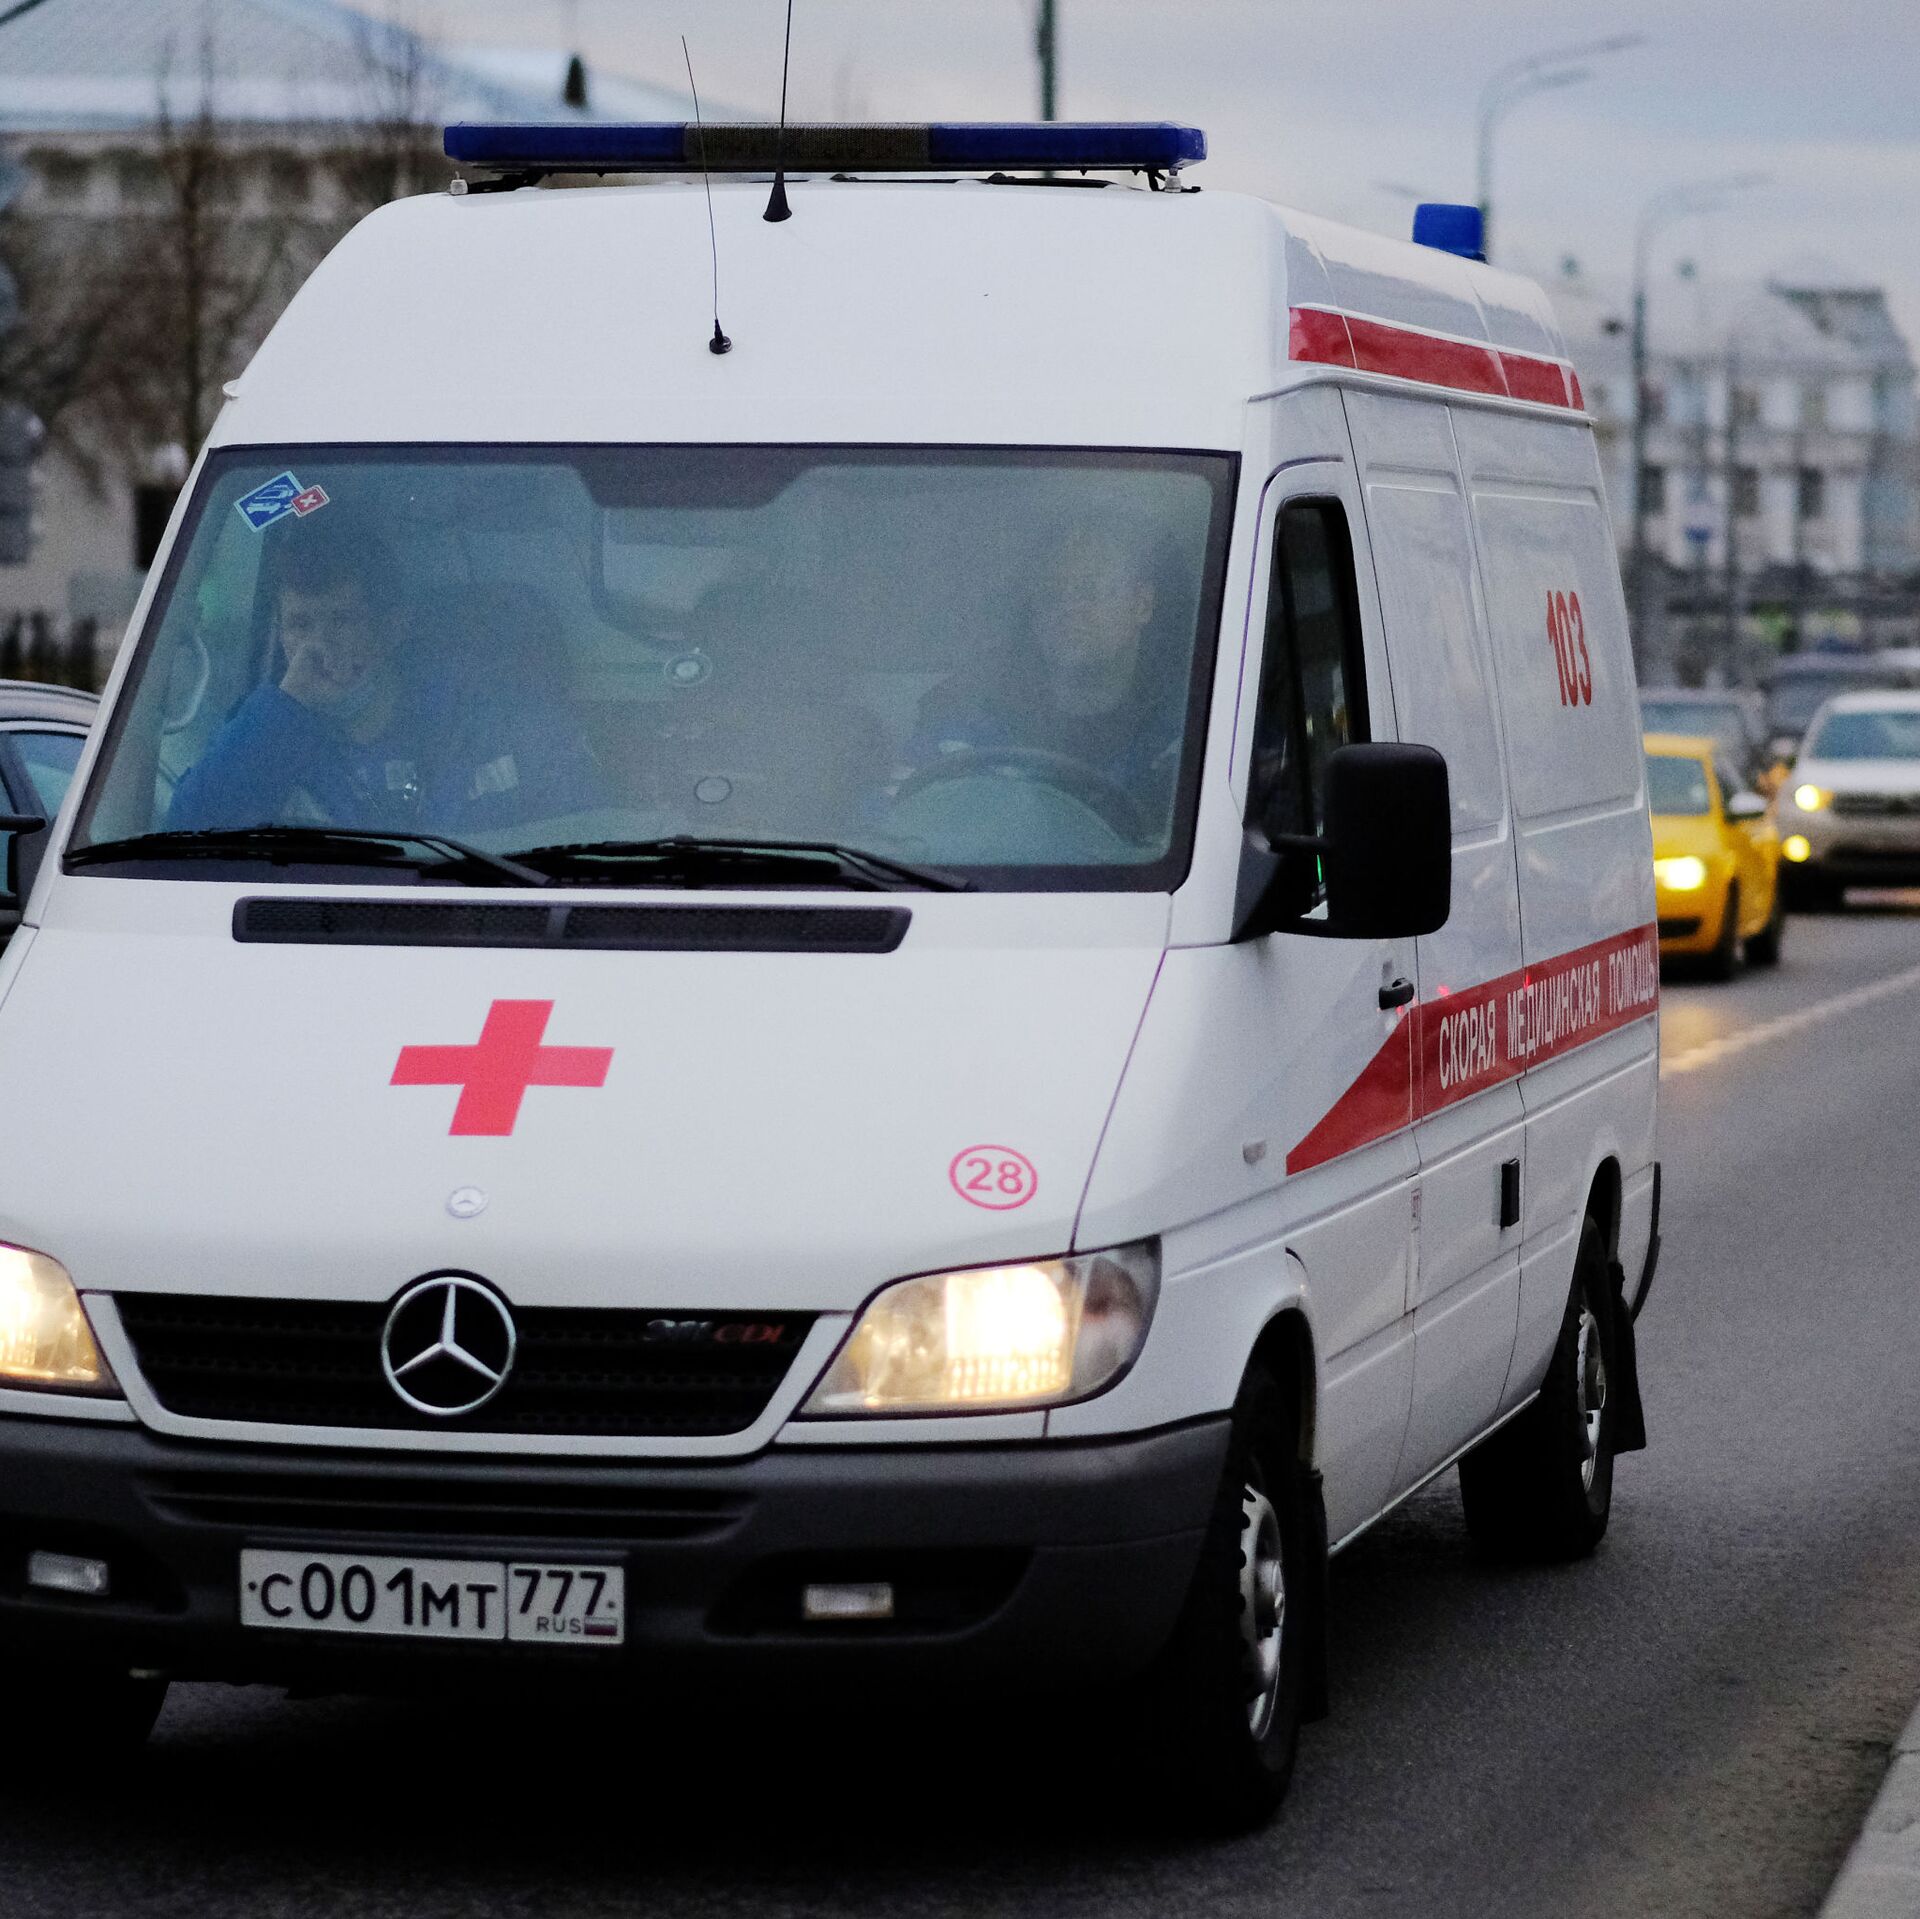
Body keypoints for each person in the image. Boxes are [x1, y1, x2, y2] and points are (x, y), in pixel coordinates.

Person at [169, 518, 597, 837]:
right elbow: (186, 836)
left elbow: (588, 834)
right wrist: (285, 713)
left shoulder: (493, 721)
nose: (318, 647)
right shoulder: (263, 738)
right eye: (300, 626)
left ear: (394, 627)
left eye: (342, 620)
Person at [904, 519, 1183, 815]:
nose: (1067, 608)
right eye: (1051, 595)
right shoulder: (966, 714)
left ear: (1141, 604)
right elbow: (903, 820)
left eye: (1087, 591)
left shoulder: (1189, 729)